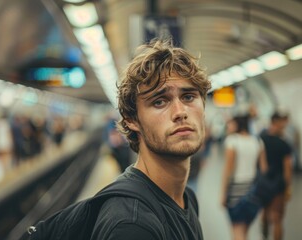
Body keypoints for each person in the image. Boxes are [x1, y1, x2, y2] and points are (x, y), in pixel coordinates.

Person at [89, 38, 211, 239]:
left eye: (188, 97)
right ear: (132, 120)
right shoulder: (131, 225)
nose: (180, 112)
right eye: (160, 101)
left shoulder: (187, 198)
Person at [221, 115, 268, 240]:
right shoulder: (257, 141)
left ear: (237, 124)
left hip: (236, 190)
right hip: (253, 190)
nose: (228, 126)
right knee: (245, 230)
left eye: (231, 123)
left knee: (237, 231)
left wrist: (223, 194)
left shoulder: (232, 141)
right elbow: (264, 169)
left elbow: (228, 170)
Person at [259, 111, 292, 240]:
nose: (285, 124)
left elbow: (260, 163)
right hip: (278, 185)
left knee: (265, 212)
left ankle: (264, 235)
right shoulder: (284, 144)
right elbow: (287, 169)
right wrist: (288, 187)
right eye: (283, 121)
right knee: (277, 218)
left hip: (264, 182)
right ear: (277, 122)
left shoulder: (261, 138)